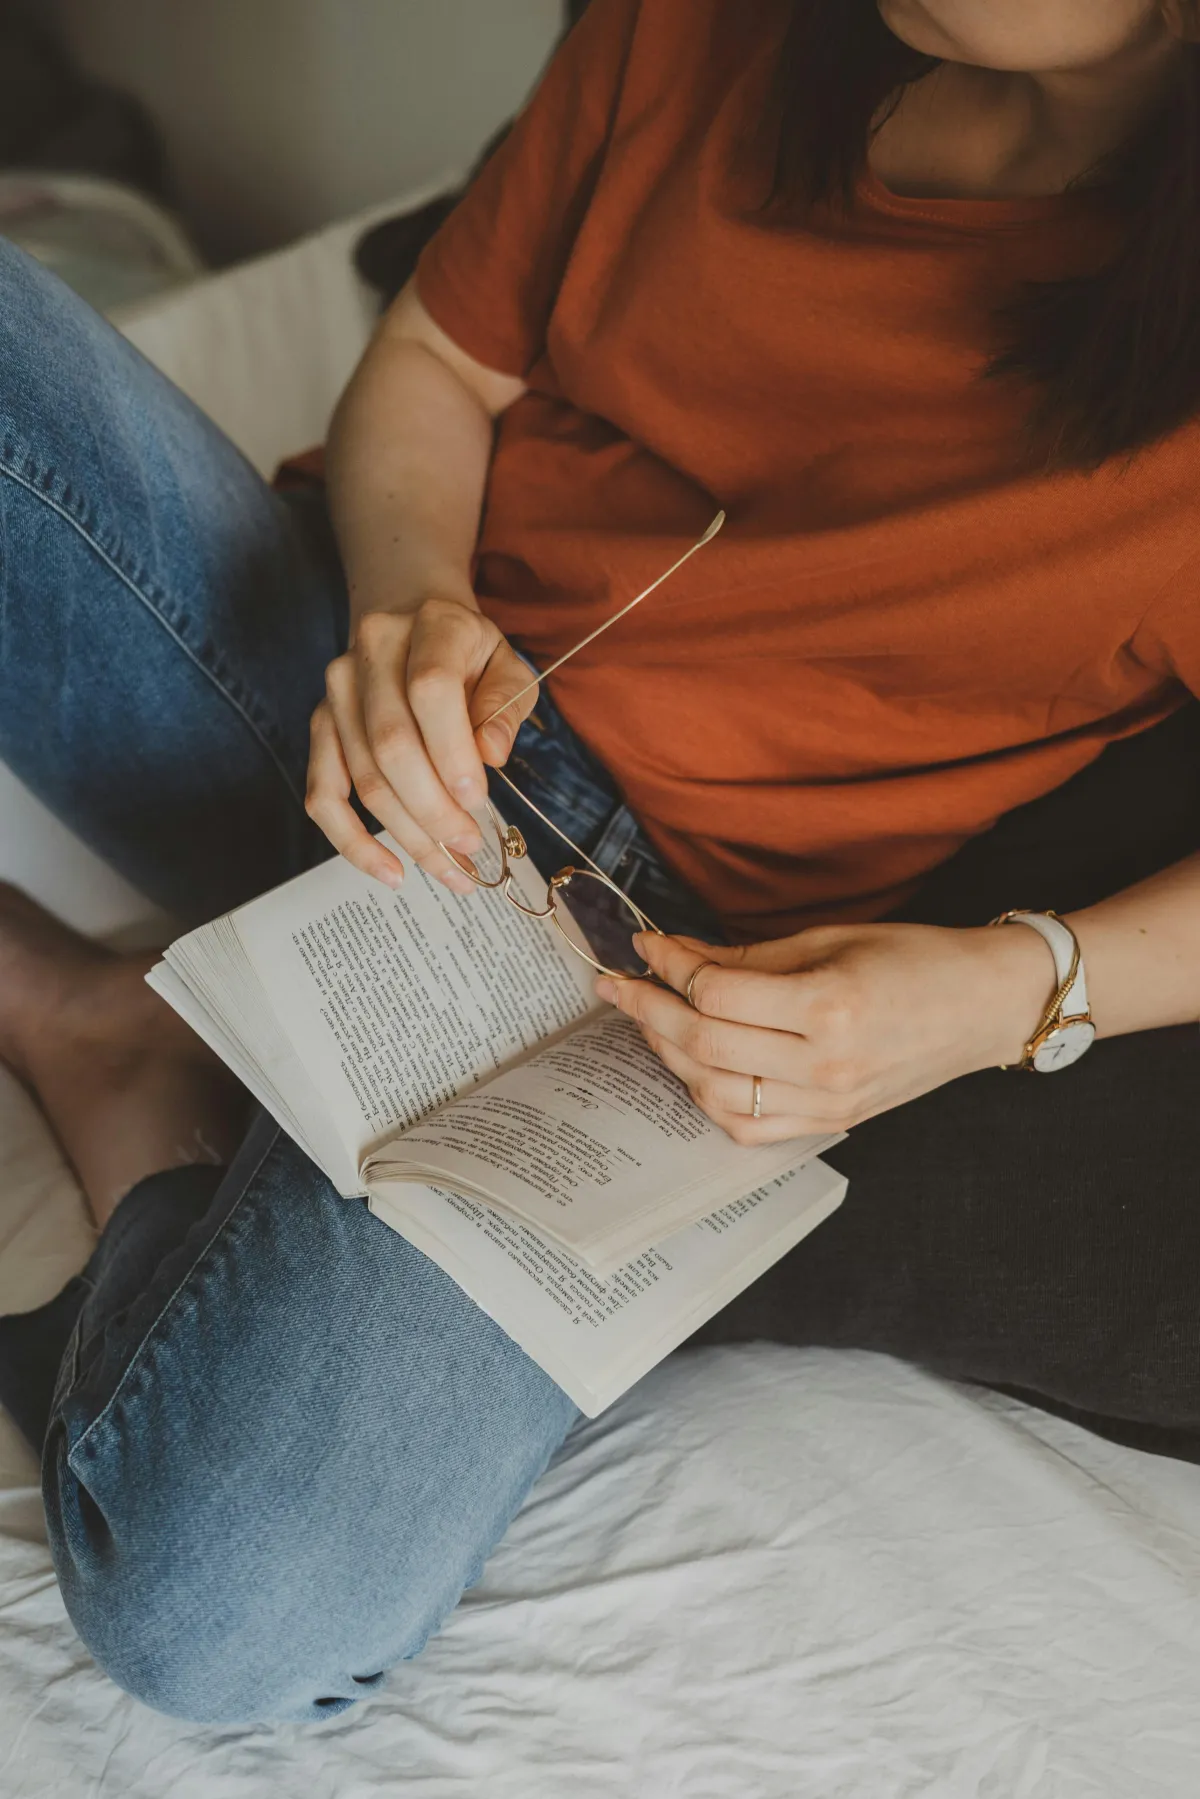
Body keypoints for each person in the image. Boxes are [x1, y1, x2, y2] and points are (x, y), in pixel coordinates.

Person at [2, 0, 1200, 1726]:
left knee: (227, 1613)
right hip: (362, 693)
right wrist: (416, 602)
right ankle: (199, 1037)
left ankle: (134, 1072)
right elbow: (441, 361)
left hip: (635, 957)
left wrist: (1017, 986)